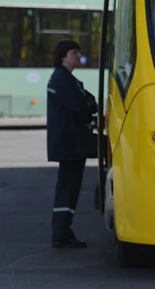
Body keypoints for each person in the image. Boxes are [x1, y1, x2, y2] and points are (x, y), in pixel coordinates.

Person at [46, 39, 98, 249]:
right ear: (63, 57)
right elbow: (82, 107)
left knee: (70, 186)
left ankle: (63, 230)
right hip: (70, 142)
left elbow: (90, 101)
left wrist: (88, 105)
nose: (79, 55)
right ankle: (61, 232)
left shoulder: (68, 79)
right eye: (74, 52)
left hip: (73, 142)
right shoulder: (61, 80)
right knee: (68, 186)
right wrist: (87, 106)